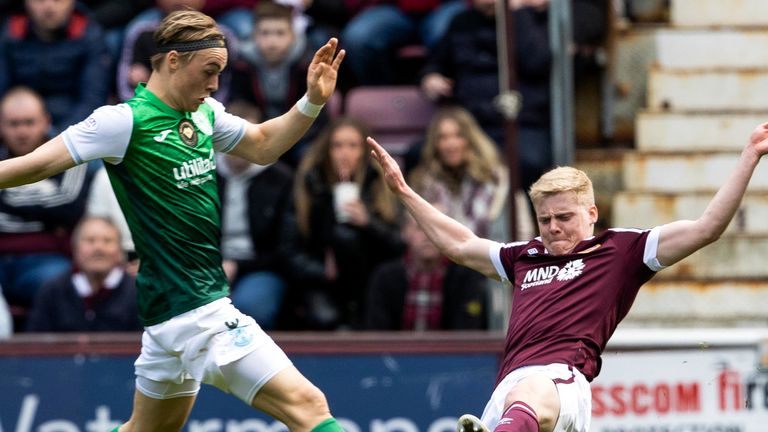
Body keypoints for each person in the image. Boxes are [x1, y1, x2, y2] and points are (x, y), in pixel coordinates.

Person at [0, 9, 345, 432]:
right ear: (174, 60)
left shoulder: (205, 114)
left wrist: (312, 101)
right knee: (309, 407)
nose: (215, 83)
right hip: (199, 313)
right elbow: (35, 165)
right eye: (209, 70)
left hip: (168, 317)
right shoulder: (122, 122)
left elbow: (262, 146)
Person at [366, 120, 768, 432]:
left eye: (564, 217)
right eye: (545, 219)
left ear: (591, 213)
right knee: (519, 400)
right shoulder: (524, 256)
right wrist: (403, 190)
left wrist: (750, 153)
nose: (553, 227)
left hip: (560, 381)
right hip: (508, 394)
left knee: (531, 393)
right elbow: (460, 244)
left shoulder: (622, 250)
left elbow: (706, 228)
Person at [290, 116, 403, 329]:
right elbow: (289, 250)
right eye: (337, 146)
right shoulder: (311, 185)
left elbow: (398, 245)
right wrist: (322, 270)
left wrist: (368, 222)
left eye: (353, 146)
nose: (345, 153)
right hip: (319, 279)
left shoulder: (379, 184)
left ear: (364, 152)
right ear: (327, 151)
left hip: (370, 279)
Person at [0, 87, 103, 308]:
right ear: (1, 126)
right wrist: (43, 200)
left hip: (45, 259)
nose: (22, 131)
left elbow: (68, 207)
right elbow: (56, 205)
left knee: (60, 286)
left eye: (29, 122)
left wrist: (6, 194)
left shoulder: (68, 153)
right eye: (14, 124)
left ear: (46, 121)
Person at [229, 0, 324, 166]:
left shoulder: (307, 64)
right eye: (265, 33)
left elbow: (319, 113)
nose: (272, 42)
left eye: (280, 33)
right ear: (254, 35)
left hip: (300, 134)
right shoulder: (242, 64)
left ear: (293, 35)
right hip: (259, 133)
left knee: (309, 154)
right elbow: (238, 104)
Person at [0, 0, 111, 135]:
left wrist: (60, 139)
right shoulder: (12, 31)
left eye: (57, 0)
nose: (49, 6)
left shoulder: (88, 33)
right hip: (18, 123)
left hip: (72, 129)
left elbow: (92, 99)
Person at [365, 211, 488, 330]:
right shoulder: (384, 277)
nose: (428, 235)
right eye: (419, 227)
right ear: (404, 232)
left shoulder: (467, 278)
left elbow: (467, 336)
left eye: (437, 228)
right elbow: (377, 335)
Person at [26, 216, 142, 332]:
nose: (98, 248)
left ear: (119, 250)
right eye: (90, 240)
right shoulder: (52, 291)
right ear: (75, 248)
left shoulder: (137, 293)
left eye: (107, 241)